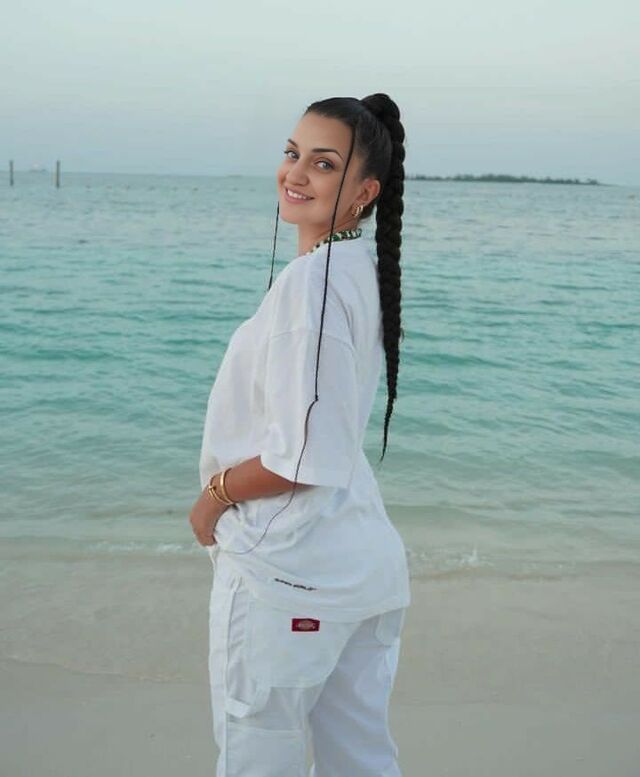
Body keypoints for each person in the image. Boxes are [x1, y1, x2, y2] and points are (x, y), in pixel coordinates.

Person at [189, 93, 411, 776]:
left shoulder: (310, 287)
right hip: (361, 570)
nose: (296, 173)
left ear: (364, 192)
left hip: (291, 576)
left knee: (257, 759)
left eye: (324, 163)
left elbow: (300, 458)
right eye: (293, 154)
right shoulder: (359, 272)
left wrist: (214, 498)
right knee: (361, 761)